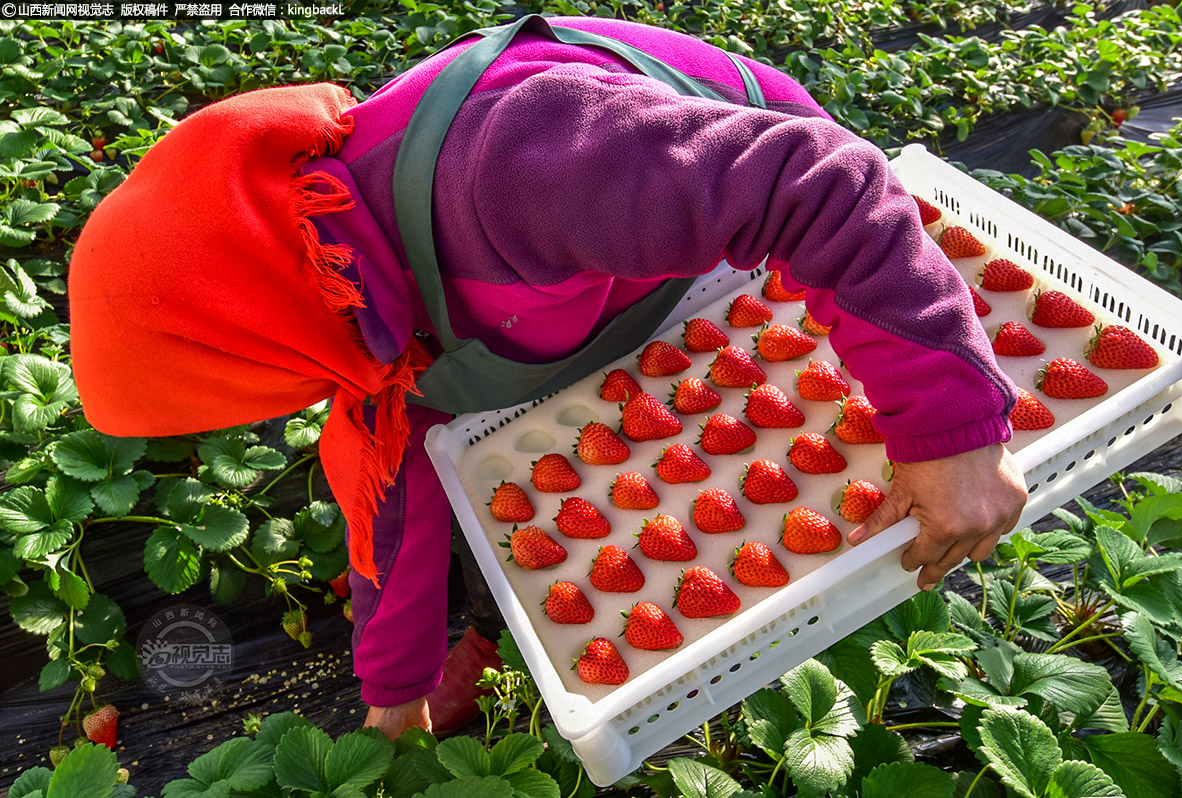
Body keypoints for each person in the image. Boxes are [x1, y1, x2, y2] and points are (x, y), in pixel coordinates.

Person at [67, 14, 1027, 739]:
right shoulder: (357, 314)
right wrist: (392, 701)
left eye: (247, 385)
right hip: (604, 289)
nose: (288, 396)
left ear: (248, 331)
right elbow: (388, 505)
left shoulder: (511, 161)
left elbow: (824, 186)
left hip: (777, 245)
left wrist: (951, 434)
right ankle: (490, 634)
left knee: (867, 440)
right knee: (506, 507)